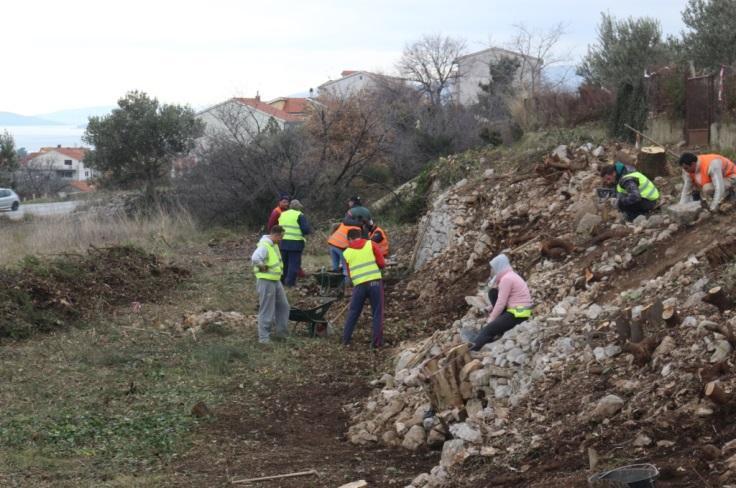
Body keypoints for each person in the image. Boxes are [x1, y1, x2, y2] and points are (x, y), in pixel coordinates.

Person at [471, 254, 532, 352]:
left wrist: (491, 319)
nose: (492, 271)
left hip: (518, 313)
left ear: (499, 267)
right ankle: (490, 336)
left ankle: (472, 349)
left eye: (493, 268)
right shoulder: (511, 275)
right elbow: (504, 298)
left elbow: (501, 302)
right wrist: (490, 308)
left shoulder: (506, 279)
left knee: (488, 329)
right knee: (493, 292)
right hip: (523, 310)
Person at [342, 228, 386, 348]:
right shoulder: (371, 244)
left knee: (353, 312)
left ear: (350, 239)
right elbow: (382, 263)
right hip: (375, 283)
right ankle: (377, 343)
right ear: (360, 236)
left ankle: (345, 339)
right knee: (377, 312)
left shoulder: (346, 253)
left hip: (359, 285)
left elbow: (350, 274)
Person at [251, 225, 290, 344]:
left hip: (275, 280)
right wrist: (262, 266)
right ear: (275, 235)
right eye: (281, 237)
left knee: (284, 306)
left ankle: (282, 334)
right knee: (267, 309)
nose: (281, 240)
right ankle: (264, 338)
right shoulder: (265, 245)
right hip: (266, 280)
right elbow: (255, 258)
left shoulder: (274, 246)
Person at [277, 199, 311, 286]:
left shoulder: (282, 214)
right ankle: (290, 283)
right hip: (296, 243)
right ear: (298, 207)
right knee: (294, 264)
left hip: (283, 242)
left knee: (283, 263)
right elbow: (306, 230)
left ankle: (281, 281)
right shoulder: (300, 215)